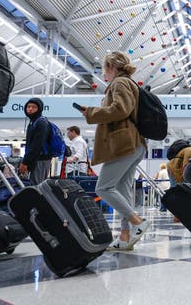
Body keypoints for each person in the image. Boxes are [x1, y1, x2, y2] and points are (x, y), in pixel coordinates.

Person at [78, 51, 151, 251]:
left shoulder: (119, 83)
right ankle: (125, 235)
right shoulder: (129, 82)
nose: (105, 74)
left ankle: (138, 222)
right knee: (122, 190)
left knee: (103, 188)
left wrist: (91, 113)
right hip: (135, 144)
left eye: (105, 69)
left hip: (125, 143)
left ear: (112, 67)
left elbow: (121, 109)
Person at [19, 98, 51, 185]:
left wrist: (25, 162)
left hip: (40, 160)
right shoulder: (33, 122)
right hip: (37, 159)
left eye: (34, 107)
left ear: (39, 109)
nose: (30, 109)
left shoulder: (41, 122)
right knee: (35, 186)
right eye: (28, 106)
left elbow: (36, 145)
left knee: (37, 187)